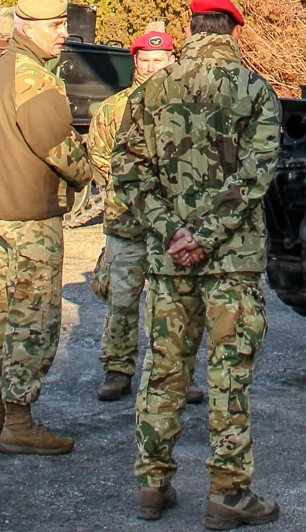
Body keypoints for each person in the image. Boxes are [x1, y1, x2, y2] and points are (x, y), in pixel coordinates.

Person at [114, 0, 281, 529]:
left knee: (163, 371)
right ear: (233, 31)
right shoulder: (256, 91)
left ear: (191, 30)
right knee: (229, 375)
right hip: (233, 262)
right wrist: (207, 236)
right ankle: (228, 495)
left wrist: (173, 234)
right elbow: (256, 174)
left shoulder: (153, 91)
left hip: (169, 262)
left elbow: (129, 171)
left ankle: (152, 486)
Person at [0, 0, 93, 456]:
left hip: (0, 210)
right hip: (32, 216)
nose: (64, 33)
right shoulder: (35, 79)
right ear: (26, 28)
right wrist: (90, 172)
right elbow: (59, 147)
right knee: (34, 315)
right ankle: (19, 421)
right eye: (55, 26)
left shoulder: (0, 68)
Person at [87, 26, 203, 406]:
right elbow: (100, 156)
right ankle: (118, 369)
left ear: (173, 61)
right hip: (126, 220)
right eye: (146, 60)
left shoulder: (187, 107)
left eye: (160, 60)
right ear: (136, 61)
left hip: (171, 223)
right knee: (122, 299)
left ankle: (175, 375)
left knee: (172, 303)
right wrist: (132, 190)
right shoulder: (113, 109)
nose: (152, 67)